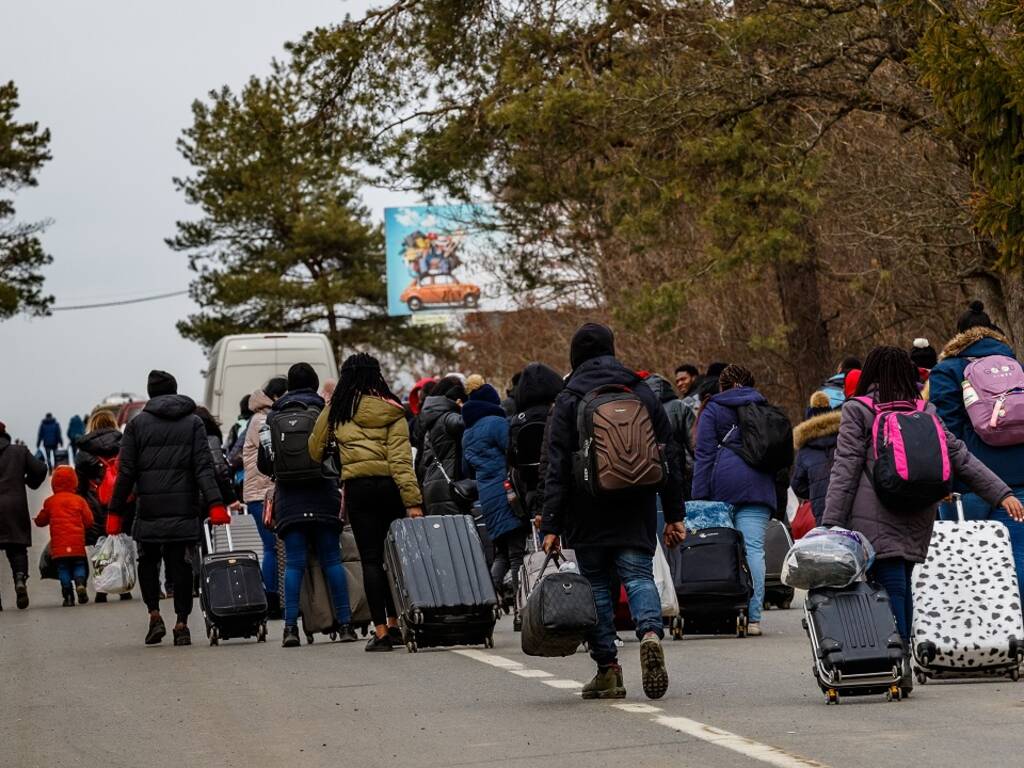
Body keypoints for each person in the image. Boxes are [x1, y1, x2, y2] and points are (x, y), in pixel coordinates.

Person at [822, 345, 1020, 693]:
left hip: (874, 508)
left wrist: (831, 523)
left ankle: (893, 660)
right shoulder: (924, 409)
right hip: (918, 507)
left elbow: (846, 467)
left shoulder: (858, 410)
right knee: (900, 580)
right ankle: (898, 658)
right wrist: (1001, 493)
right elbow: (961, 457)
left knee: (888, 582)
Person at [541, 323, 685, 701]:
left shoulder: (569, 397)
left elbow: (555, 466)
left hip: (586, 508)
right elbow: (668, 455)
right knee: (638, 576)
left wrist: (551, 524)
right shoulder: (639, 390)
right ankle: (651, 633)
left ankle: (608, 670)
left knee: (598, 587)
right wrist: (674, 514)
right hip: (636, 502)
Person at [308, 353, 423, 652]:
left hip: (358, 489)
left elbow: (314, 449)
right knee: (393, 559)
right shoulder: (392, 409)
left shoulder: (339, 410)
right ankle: (398, 624)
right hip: (390, 489)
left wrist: (331, 407)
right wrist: (413, 501)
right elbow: (401, 461)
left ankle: (381, 632)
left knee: (370, 560)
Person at [107, 370, 227, 647]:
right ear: (175, 390)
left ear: (150, 393)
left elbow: (125, 473)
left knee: (148, 562)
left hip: (148, 507)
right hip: (184, 507)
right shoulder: (194, 423)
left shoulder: (137, 426)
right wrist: (216, 503)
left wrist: (114, 512)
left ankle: (154, 614)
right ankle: (182, 624)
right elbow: (203, 468)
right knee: (182, 565)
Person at [929, 300, 1024, 592]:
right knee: (1017, 558)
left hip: (969, 484)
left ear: (959, 335)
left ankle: (978, 629)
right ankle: (1018, 627)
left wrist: (945, 482)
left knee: (967, 562)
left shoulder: (946, 370)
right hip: (1018, 481)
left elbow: (945, 431)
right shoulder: (1015, 365)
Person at [258, 362, 355, 648]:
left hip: (289, 498)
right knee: (332, 561)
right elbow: (339, 454)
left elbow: (265, 463)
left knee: (295, 564)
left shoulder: (273, 416)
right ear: (314, 385)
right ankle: (346, 623)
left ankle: (290, 628)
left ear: (288, 386)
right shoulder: (325, 412)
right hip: (324, 494)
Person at [691, 364, 778, 637]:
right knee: (753, 550)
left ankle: (727, 610)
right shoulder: (765, 408)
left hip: (722, 486)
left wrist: (699, 497)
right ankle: (753, 618)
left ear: (722, 386)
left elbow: (703, 455)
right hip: (759, 486)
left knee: (722, 548)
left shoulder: (713, 409)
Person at [462, 384, 530, 606]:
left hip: (487, 496)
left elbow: (466, 470)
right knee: (517, 554)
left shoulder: (467, 433)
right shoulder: (498, 424)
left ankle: (488, 599)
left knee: (501, 553)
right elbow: (513, 453)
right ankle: (522, 607)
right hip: (507, 493)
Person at [241, 376, 288, 618]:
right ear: (278, 396)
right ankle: (272, 600)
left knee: (275, 547)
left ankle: (276, 598)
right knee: (271, 547)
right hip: (263, 495)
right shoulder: (263, 421)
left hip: (261, 493)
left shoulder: (260, 417)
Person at [74, 409, 131, 603]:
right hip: (120, 500)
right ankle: (124, 587)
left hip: (94, 502)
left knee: (101, 548)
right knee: (120, 543)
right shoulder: (124, 445)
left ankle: (102, 589)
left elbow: (80, 486)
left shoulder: (83, 454)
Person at [0, 420, 48, 610]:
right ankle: (20, 579)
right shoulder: (18, 452)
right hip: (15, 506)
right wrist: (29, 481)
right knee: (17, 548)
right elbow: (41, 469)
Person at [34, 466, 94, 607]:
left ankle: (68, 596)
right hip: (77, 544)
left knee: (63, 568)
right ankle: (80, 584)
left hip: (59, 547)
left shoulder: (50, 502)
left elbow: (42, 520)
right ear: (74, 482)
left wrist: (36, 520)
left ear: (54, 483)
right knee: (79, 565)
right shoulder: (79, 500)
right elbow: (89, 520)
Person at [416, 375, 467, 515]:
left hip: (432, 485)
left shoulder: (430, 420)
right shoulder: (449, 418)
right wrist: (467, 409)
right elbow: (465, 422)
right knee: (458, 534)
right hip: (451, 487)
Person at [790, 391, 840, 526]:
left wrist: (814, 490)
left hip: (821, 509)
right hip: (846, 503)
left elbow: (797, 485)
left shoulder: (805, 449)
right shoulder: (845, 437)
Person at [644, 373, 695, 493]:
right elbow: (695, 445)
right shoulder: (680, 406)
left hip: (649, 475)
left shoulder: (640, 408)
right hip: (678, 472)